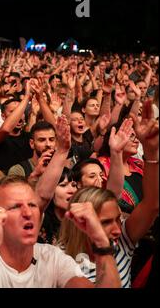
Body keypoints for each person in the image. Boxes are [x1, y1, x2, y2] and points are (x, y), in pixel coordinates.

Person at [0, 175, 121, 288]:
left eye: (33, 205)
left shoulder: (52, 257)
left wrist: (100, 242)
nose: (28, 213)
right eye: (15, 207)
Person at [58, 103, 158, 287]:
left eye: (118, 220)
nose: (118, 230)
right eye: (104, 222)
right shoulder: (59, 258)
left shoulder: (121, 242)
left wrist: (151, 151)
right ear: (79, 222)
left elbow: (152, 204)